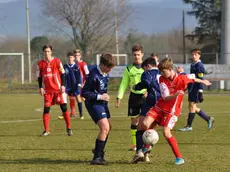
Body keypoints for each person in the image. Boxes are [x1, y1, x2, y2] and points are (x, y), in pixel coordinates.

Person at [131, 58, 211, 165]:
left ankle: (179, 158)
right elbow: (165, 97)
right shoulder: (162, 79)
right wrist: (175, 95)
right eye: (161, 72)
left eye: (163, 72)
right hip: (159, 107)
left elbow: (192, 78)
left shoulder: (182, 78)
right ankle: (148, 146)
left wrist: (203, 81)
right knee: (145, 124)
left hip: (172, 111)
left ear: (170, 69)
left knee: (166, 133)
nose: (162, 74)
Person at [82, 53, 115, 165]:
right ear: (102, 64)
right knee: (104, 128)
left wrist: (105, 96)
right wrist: (100, 96)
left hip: (102, 103)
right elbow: (84, 93)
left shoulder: (105, 73)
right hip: (93, 103)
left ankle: (99, 151)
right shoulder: (93, 75)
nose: (110, 70)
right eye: (108, 67)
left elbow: (101, 89)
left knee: (109, 126)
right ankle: (97, 158)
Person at [36, 45, 72, 136]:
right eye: (45, 51)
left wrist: (63, 85)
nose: (47, 53)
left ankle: (69, 128)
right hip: (48, 91)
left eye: (48, 51)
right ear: (43, 52)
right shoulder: (40, 64)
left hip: (58, 90)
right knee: (46, 110)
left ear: (51, 52)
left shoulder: (57, 61)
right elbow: (39, 77)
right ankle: (46, 130)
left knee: (64, 108)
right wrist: (40, 87)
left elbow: (63, 74)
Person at [115, 44, 146, 151]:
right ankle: (135, 144)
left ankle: (146, 144)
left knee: (146, 121)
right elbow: (123, 84)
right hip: (134, 97)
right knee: (134, 121)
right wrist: (119, 97)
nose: (136, 57)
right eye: (134, 55)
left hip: (145, 96)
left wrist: (148, 91)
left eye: (138, 54)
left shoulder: (146, 68)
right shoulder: (129, 69)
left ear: (142, 54)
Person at [132, 57, 161, 162]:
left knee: (141, 127)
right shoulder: (162, 72)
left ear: (148, 66)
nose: (144, 71)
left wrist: (137, 86)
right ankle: (146, 155)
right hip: (164, 105)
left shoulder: (147, 73)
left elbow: (146, 82)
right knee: (151, 130)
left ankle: (139, 151)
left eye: (144, 69)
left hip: (151, 102)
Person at [179, 49, 215, 132]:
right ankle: (208, 119)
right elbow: (192, 77)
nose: (193, 56)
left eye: (195, 54)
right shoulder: (193, 64)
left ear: (199, 55)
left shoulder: (199, 65)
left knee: (192, 106)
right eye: (192, 54)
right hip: (192, 87)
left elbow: (200, 79)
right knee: (192, 107)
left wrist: (200, 92)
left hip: (196, 88)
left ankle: (189, 126)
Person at [58, 52, 82, 119]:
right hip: (67, 85)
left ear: (74, 58)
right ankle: (64, 114)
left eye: (71, 57)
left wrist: (79, 84)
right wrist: (62, 84)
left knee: (78, 98)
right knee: (63, 99)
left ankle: (81, 114)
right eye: (69, 57)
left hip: (75, 85)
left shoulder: (76, 66)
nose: (70, 58)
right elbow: (61, 74)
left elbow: (79, 76)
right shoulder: (65, 66)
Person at [74, 49, 89, 119]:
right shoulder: (74, 64)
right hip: (75, 85)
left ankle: (91, 109)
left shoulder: (83, 64)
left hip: (82, 84)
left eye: (78, 55)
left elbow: (87, 74)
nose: (76, 57)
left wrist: (84, 83)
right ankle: (80, 114)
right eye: (75, 55)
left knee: (82, 98)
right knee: (77, 98)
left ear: (80, 56)